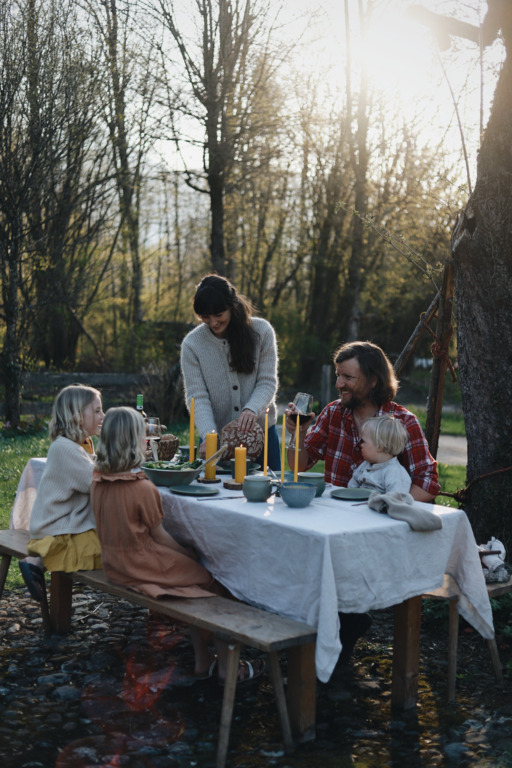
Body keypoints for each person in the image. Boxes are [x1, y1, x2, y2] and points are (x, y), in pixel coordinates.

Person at [91, 407, 264, 684]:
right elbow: (160, 538)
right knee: (218, 584)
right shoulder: (141, 488)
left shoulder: (98, 480)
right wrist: (191, 555)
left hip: (114, 563)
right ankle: (226, 667)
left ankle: (202, 659)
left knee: (194, 584)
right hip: (140, 565)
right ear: (136, 441)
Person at [286, 340, 440, 502]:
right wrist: (299, 434)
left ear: (373, 381)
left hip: (378, 520)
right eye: (338, 375)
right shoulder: (333, 412)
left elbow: (427, 484)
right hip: (334, 516)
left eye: (348, 377)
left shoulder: (404, 422)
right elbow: (298, 466)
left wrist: (386, 509)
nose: (338, 384)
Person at [180, 274, 280, 470]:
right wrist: (209, 434)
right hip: (215, 440)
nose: (213, 322)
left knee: (269, 495)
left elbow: (267, 382)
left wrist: (252, 409)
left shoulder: (262, 332)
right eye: (205, 317)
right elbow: (197, 396)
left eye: (218, 314)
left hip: (261, 435)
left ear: (232, 305)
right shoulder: (192, 345)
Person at [19, 385, 104, 602]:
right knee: (104, 552)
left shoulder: (79, 444)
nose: (102, 415)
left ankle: (37, 563)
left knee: (106, 545)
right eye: (96, 411)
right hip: (58, 527)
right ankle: (35, 563)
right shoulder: (64, 448)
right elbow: (96, 481)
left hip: (66, 522)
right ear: (76, 417)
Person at [348, 415, 412, 494]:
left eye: (364, 442)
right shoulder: (365, 465)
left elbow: (395, 501)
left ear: (380, 446)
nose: (361, 445)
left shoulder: (395, 474)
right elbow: (351, 488)